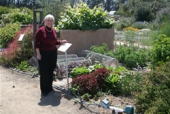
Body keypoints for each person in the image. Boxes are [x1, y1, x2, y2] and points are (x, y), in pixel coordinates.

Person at [34, 14, 67, 97]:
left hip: (53, 53)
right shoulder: (40, 30)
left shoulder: (53, 30)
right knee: (44, 72)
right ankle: (44, 90)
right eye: (48, 20)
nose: (49, 22)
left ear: (53, 22)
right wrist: (38, 54)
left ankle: (49, 87)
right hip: (43, 53)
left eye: (51, 20)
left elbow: (55, 42)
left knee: (51, 70)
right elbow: (36, 43)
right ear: (45, 21)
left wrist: (61, 42)